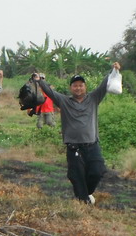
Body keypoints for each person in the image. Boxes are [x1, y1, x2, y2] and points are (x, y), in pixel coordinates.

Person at [34, 62, 122, 204]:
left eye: (81, 85)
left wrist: (114, 70)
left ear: (85, 87)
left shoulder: (93, 98)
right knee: (76, 176)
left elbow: (105, 85)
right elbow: (50, 92)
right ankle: (83, 202)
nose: (78, 88)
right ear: (71, 88)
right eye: (75, 85)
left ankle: (86, 193)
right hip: (74, 147)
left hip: (92, 145)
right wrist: (39, 81)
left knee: (98, 171)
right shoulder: (64, 101)